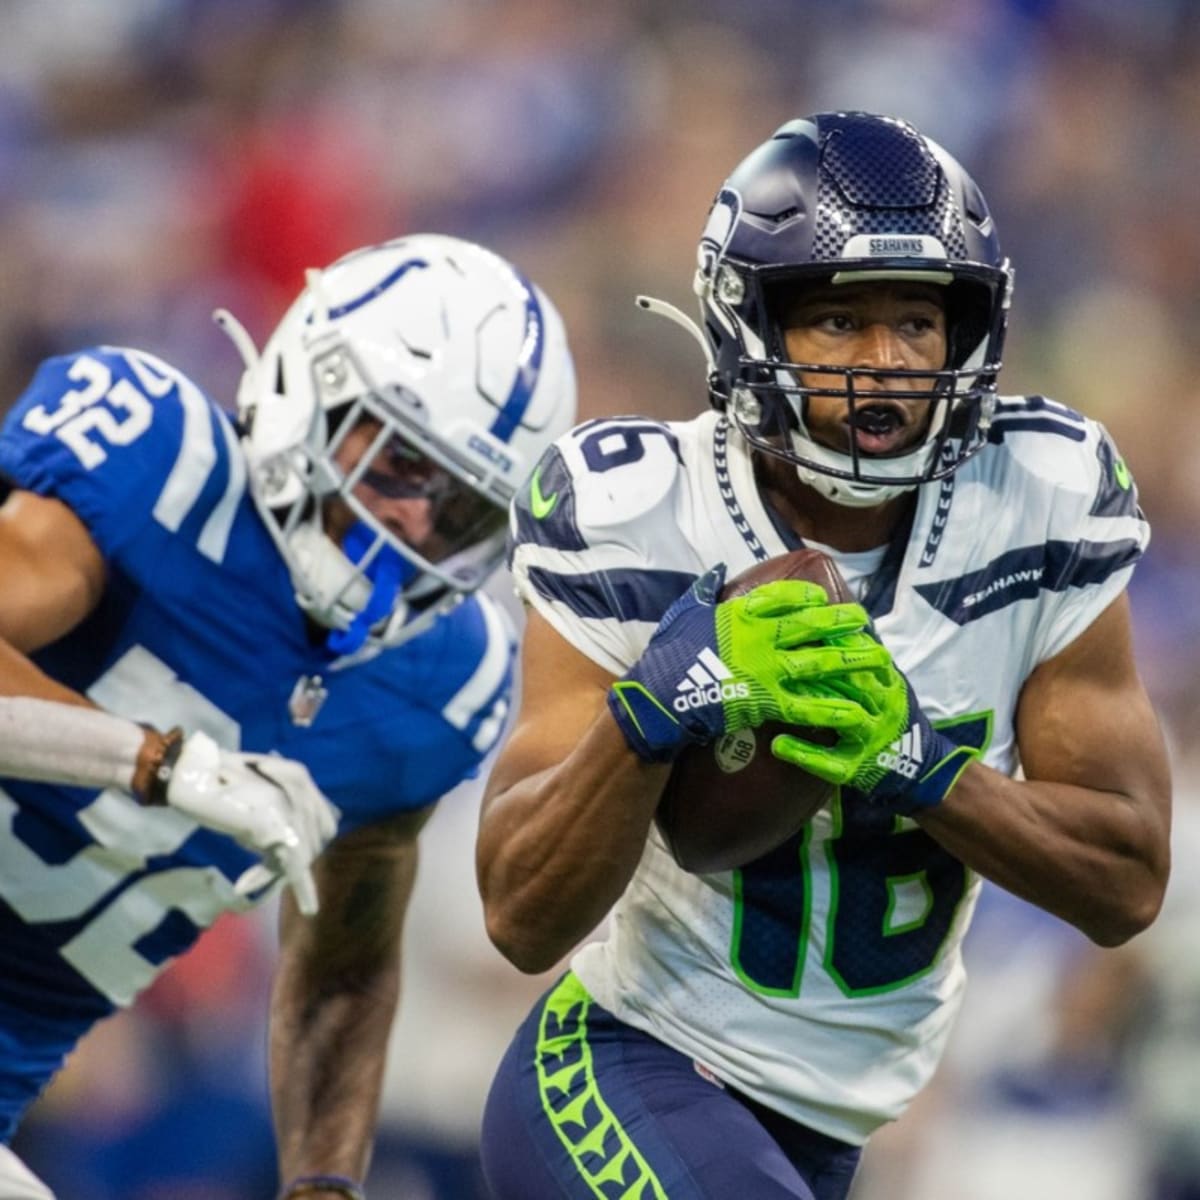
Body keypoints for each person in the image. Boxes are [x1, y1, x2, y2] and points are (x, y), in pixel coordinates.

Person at [474, 111, 1171, 1199]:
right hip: (630, 1065)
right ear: (749, 322)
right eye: (838, 320)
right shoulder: (636, 510)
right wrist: (653, 708)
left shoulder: (1039, 496)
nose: (884, 367)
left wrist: (920, 768)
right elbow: (520, 911)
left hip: (831, 1129)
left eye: (916, 322)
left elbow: (1126, 880)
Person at [0, 232, 576, 1200]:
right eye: (398, 463)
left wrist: (322, 1183)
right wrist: (158, 761)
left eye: (462, 512)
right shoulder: (161, 470)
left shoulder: (442, 684)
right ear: (310, 385)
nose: (412, 526)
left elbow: (345, 968)